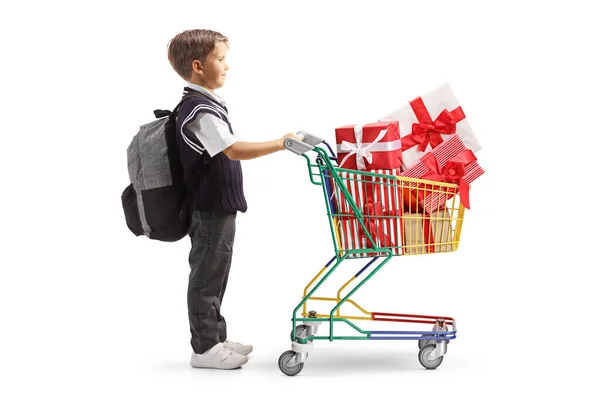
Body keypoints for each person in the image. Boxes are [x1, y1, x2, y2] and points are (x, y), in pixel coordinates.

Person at [167, 29, 299, 370]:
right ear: (198, 66)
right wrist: (280, 142)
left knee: (217, 273)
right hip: (209, 208)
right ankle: (204, 349)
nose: (227, 66)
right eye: (221, 59)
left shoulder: (207, 104)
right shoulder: (198, 111)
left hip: (219, 206)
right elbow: (233, 149)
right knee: (206, 276)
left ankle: (215, 338)